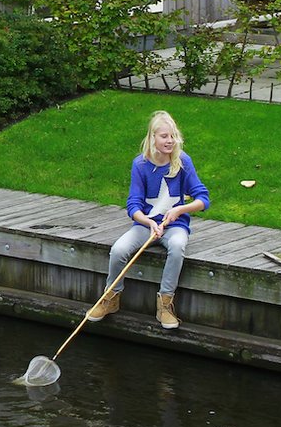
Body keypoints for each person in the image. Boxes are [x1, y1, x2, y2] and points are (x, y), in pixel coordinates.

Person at [86, 110, 211, 330]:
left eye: (173, 136)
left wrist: (181, 209)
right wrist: (148, 222)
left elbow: (203, 199)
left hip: (174, 226)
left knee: (177, 246)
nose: (170, 141)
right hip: (146, 225)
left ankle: (165, 303)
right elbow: (133, 205)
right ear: (152, 138)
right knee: (118, 250)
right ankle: (110, 297)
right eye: (164, 136)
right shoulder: (140, 165)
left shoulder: (182, 161)